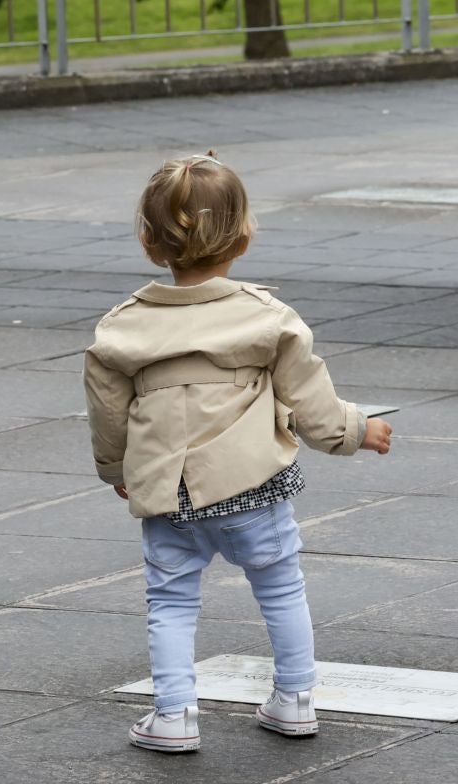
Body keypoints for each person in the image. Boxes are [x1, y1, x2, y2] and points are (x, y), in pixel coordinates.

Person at [84, 155, 393, 754]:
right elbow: (311, 401)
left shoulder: (123, 330)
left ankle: (173, 714)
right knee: (279, 586)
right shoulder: (266, 318)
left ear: (150, 243)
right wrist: (357, 431)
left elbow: (107, 411)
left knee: (170, 599)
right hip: (254, 484)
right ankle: (296, 699)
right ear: (245, 237)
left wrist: (116, 468)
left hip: (168, 490)